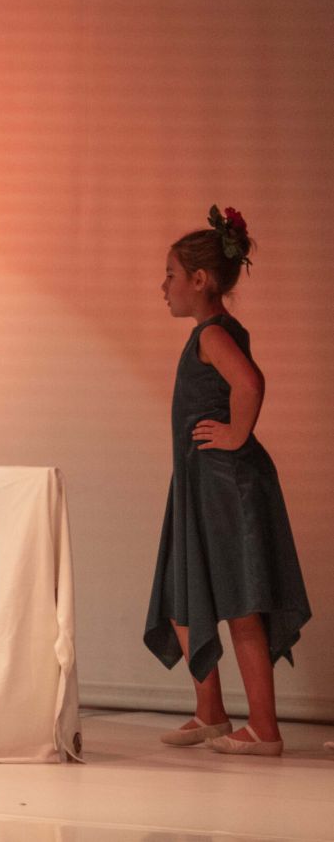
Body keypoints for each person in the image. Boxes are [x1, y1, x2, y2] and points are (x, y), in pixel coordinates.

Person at [144, 206, 310, 756]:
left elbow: (250, 382)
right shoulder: (211, 333)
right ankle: (211, 711)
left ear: (199, 279)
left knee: (241, 601)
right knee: (181, 594)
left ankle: (264, 728)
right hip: (201, 484)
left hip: (225, 485)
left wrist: (238, 435)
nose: (163, 286)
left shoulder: (214, 334)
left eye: (170, 274)